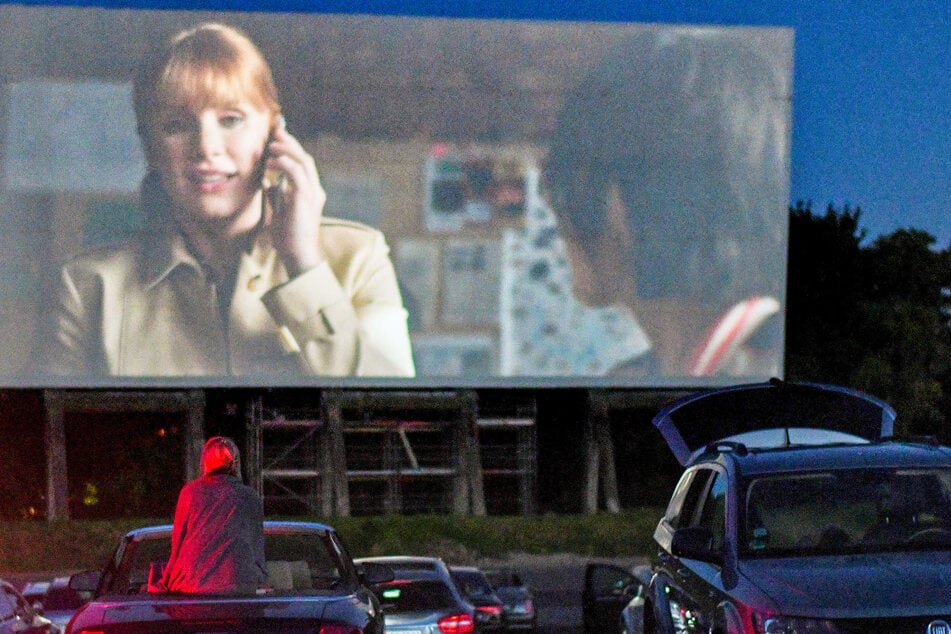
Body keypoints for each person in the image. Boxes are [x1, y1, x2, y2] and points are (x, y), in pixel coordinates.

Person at [39, 22, 414, 378]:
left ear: (274, 134)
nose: (206, 149)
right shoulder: (90, 285)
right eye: (176, 126)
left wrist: (305, 265)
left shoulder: (359, 257)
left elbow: (395, 422)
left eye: (231, 120)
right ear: (150, 149)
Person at [543, 29, 789, 377]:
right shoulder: (652, 376)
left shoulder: (761, 382)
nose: (561, 222)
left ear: (617, 205)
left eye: (566, 189)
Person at [152, 436, 266, 594]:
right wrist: (258, 578)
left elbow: (177, 545)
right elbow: (257, 547)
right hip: (240, 586)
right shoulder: (250, 496)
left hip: (191, 587)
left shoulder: (190, 493)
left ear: (205, 462)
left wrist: (165, 581)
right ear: (236, 464)